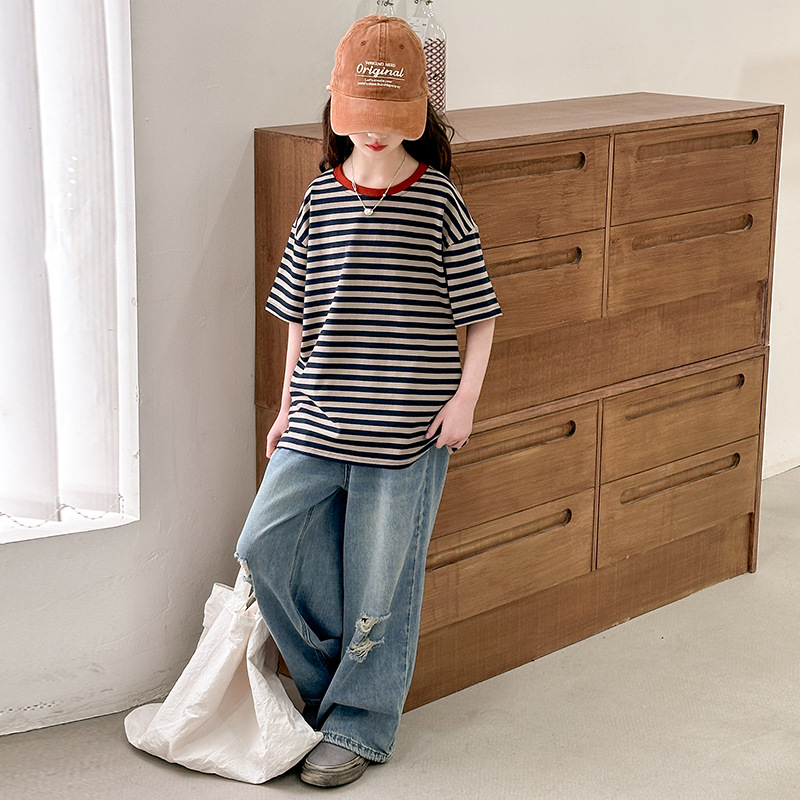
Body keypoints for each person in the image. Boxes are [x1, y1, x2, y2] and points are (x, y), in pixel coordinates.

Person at [235, 14, 502, 788]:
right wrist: (286, 406)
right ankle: (330, 689)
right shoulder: (319, 198)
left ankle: (360, 723)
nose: (376, 134)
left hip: (406, 433)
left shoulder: (439, 201)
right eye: (362, 116)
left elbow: (481, 316)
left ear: (418, 112)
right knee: (263, 545)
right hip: (318, 418)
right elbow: (299, 315)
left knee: (383, 584)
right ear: (336, 107)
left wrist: (466, 402)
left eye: (391, 117)